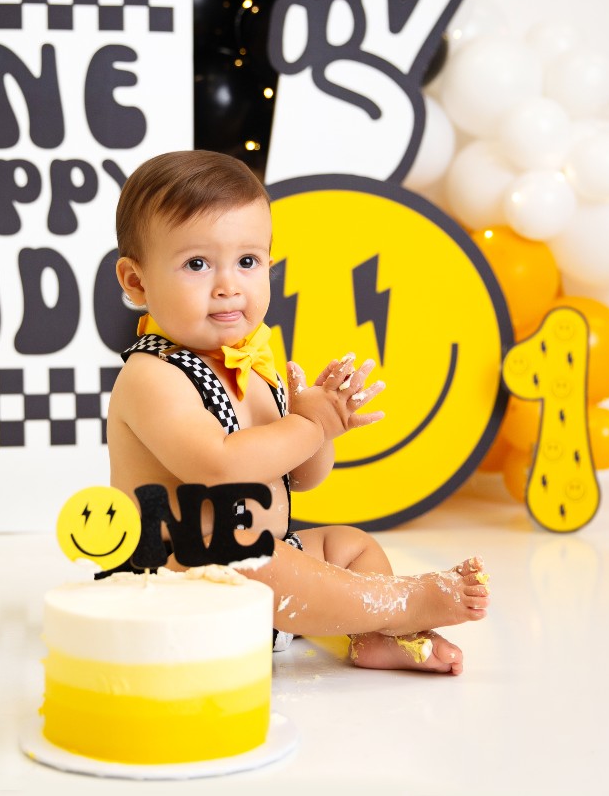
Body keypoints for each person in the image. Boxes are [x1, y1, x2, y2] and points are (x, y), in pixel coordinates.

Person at [107, 151, 489, 674]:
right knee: (250, 552)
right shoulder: (153, 375)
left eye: (248, 261)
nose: (228, 285)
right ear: (136, 282)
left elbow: (302, 479)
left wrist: (321, 429)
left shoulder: (253, 366)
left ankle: (371, 635)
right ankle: (401, 603)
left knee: (346, 546)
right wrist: (306, 424)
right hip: (185, 579)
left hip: (266, 569)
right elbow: (216, 465)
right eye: (197, 264)